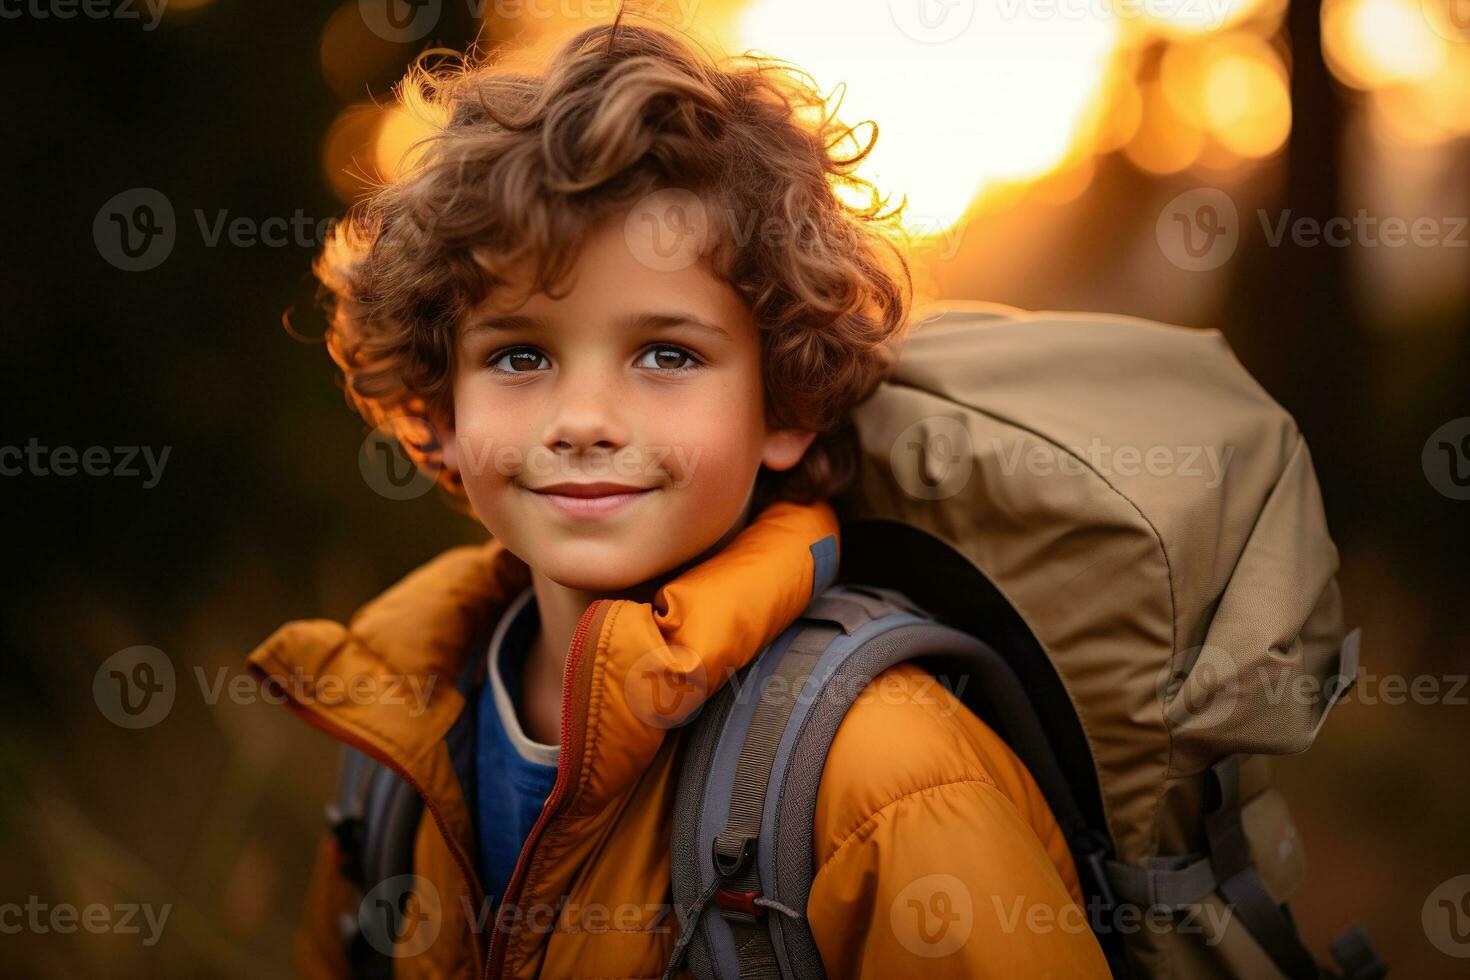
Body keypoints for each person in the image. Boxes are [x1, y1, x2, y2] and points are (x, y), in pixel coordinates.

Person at [247, 14, 1110, 979]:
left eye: (667, 354)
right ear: (440, 406)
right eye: (519, 355)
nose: (583, 419)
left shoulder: (886, 777)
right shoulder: (394, 731)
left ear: (784, 401)